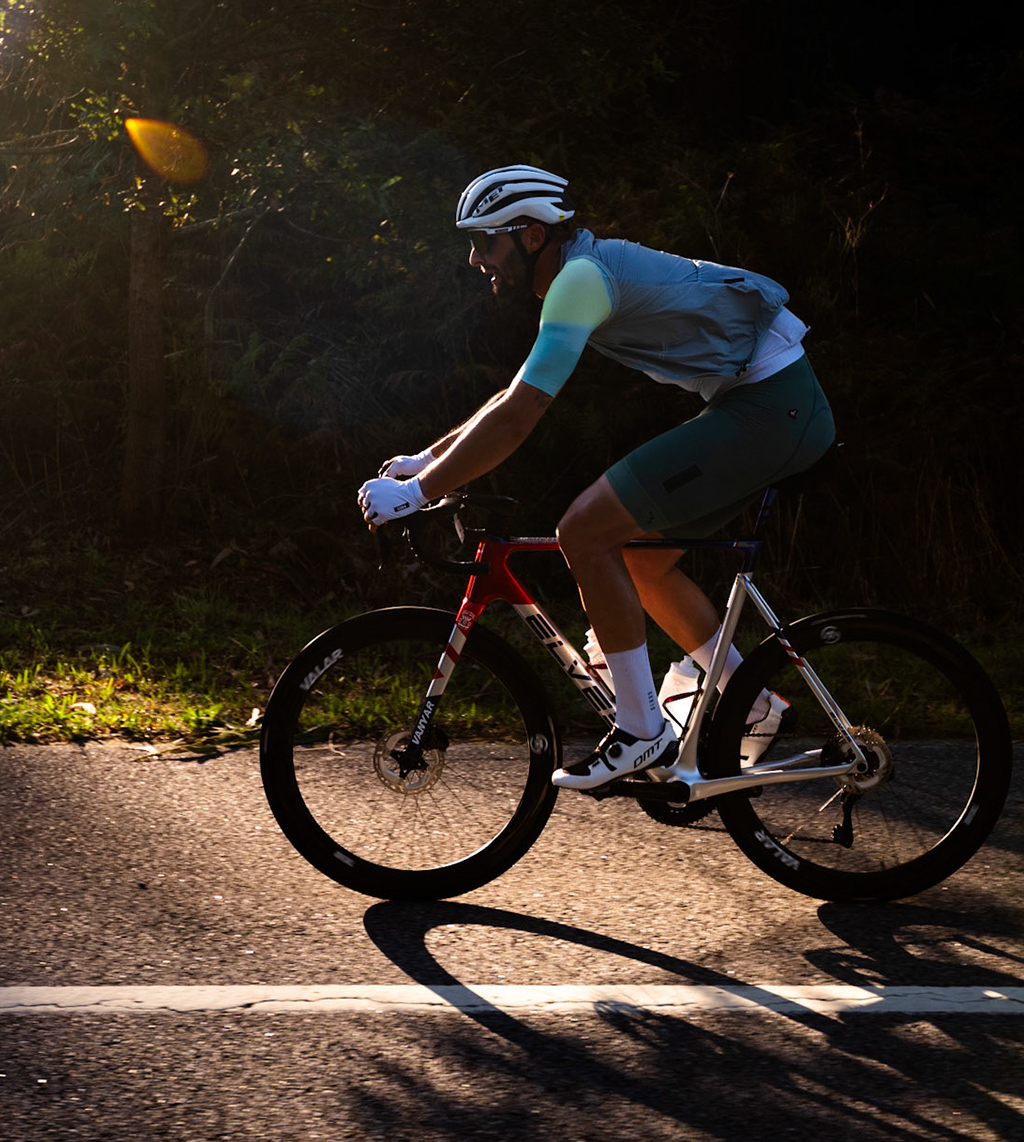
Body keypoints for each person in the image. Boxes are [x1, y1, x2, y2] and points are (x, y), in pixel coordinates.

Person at [357, 165, 836, 790]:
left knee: (583, 530)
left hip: (773, 407)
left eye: (486, 241)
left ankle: (642, 730)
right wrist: (429, 462)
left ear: (531, 236)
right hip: (766, 404)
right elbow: (515, 393)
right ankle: (748, 702)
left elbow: (522, 413)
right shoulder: (576, 274)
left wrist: (418, 493)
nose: (476, 259)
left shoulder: (580, 280)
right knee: (637, 558)